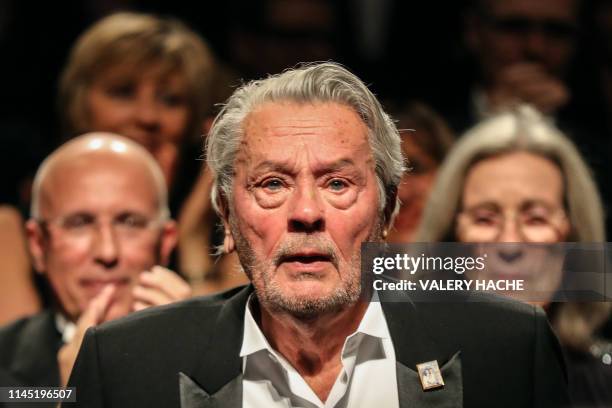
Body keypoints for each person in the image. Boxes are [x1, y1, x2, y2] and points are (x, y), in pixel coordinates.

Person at [68, 62, 568, 407]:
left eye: (337, 183)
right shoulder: (125, 367)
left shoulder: (507, 351)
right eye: (272, 184)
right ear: (225, 211)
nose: (306, 212)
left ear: (389, 206)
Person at [416, 105, 612, 406]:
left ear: (572, 240)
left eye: (536, 219)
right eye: (485, 219)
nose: (508, 245)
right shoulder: (405, 382)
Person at [58, 11, 241, 290]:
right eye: (123, 92)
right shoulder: (16, 225)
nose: (147, 117)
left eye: (170, 100)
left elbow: (228, 333)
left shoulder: (234, 217)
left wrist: (192, 233)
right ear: (80, 103)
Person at [0, 133, 192, 389]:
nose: (107, 252)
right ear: (37, 246)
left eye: (129, 222)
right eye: (79, 223)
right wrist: (74, 399)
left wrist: (194, 360)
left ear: (166, 242)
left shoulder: (225, 351)